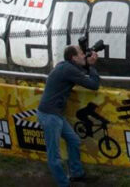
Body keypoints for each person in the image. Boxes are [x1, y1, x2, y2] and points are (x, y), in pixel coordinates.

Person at [37, 44, 101, 186]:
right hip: (50, 116)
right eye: (81, 53)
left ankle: (77, 174)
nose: (84, 55)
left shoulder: (65, 66)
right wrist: (91, 66)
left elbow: (79, 71)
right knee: (54, 156)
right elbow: (94, 85)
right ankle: (64, 184)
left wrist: (87, 64)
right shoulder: (69, 69)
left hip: (55, 114)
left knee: (74, 141)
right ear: (73, 57)